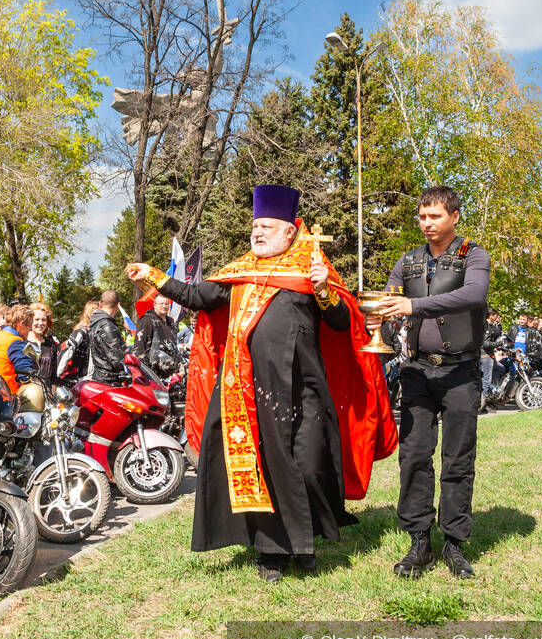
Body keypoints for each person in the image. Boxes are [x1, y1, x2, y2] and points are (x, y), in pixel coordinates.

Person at [128, 184, 395, 583]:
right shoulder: (239, 273)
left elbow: (343, 322)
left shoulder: (311, 268)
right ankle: (272, 552)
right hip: (247, 390)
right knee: (261, 470)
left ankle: (306, 538)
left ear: (290, 231)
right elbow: (196, 296)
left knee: (307, 465)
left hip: (304, 389)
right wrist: (151, 275)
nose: (257, 232)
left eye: (266, 226)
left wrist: (323, 290)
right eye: (254, 226)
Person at [369, 185, 490, 581]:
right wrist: (379, 319)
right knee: (415, 456)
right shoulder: (408, 261)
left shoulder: (474, 255)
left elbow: (474, 295)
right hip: (417, 372)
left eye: (434, 216)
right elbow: (388, 301)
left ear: (454, 217)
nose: (426, 224)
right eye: (422, 217)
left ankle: (454, 544)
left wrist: (413, 305)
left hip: (460, 373)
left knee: (458, 460)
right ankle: (419, 542)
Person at [0, 303, 42, 410]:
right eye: (29, 327)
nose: (29, 331)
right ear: (21, 323)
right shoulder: (15, 342)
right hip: (6, 400)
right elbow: (25, 373)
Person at [133, 294, 180, 377]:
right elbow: (139, 348)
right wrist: (144, 373)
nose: (164, 306)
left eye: (166, 304)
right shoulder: (147, 320)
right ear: (154, 305)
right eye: (161, 304)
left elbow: (174, 346)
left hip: (171, 372)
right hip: (153, 373)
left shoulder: (171, 322)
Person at [87, 290, 127, 385]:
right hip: (109, 381)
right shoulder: (107, 326)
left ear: (100, 303)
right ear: (118, 305)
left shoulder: (95, 322)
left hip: (100, 377)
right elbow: (117, 359)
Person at [57, 300, 98, 381]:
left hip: (100, 380)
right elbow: (67, 351)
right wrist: (56, 375)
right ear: (91, 313)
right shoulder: (82, 332)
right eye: (98, 312)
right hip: (86, 380)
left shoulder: (100, 332)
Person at [25, 302, 61, 381]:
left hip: (47, 391)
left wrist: (53, 389)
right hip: (28, 391)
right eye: (37, 319)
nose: (40, 323)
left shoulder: (51, 344)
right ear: (30, 320)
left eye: (44, 320)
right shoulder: (23, 342)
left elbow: (54, 372)